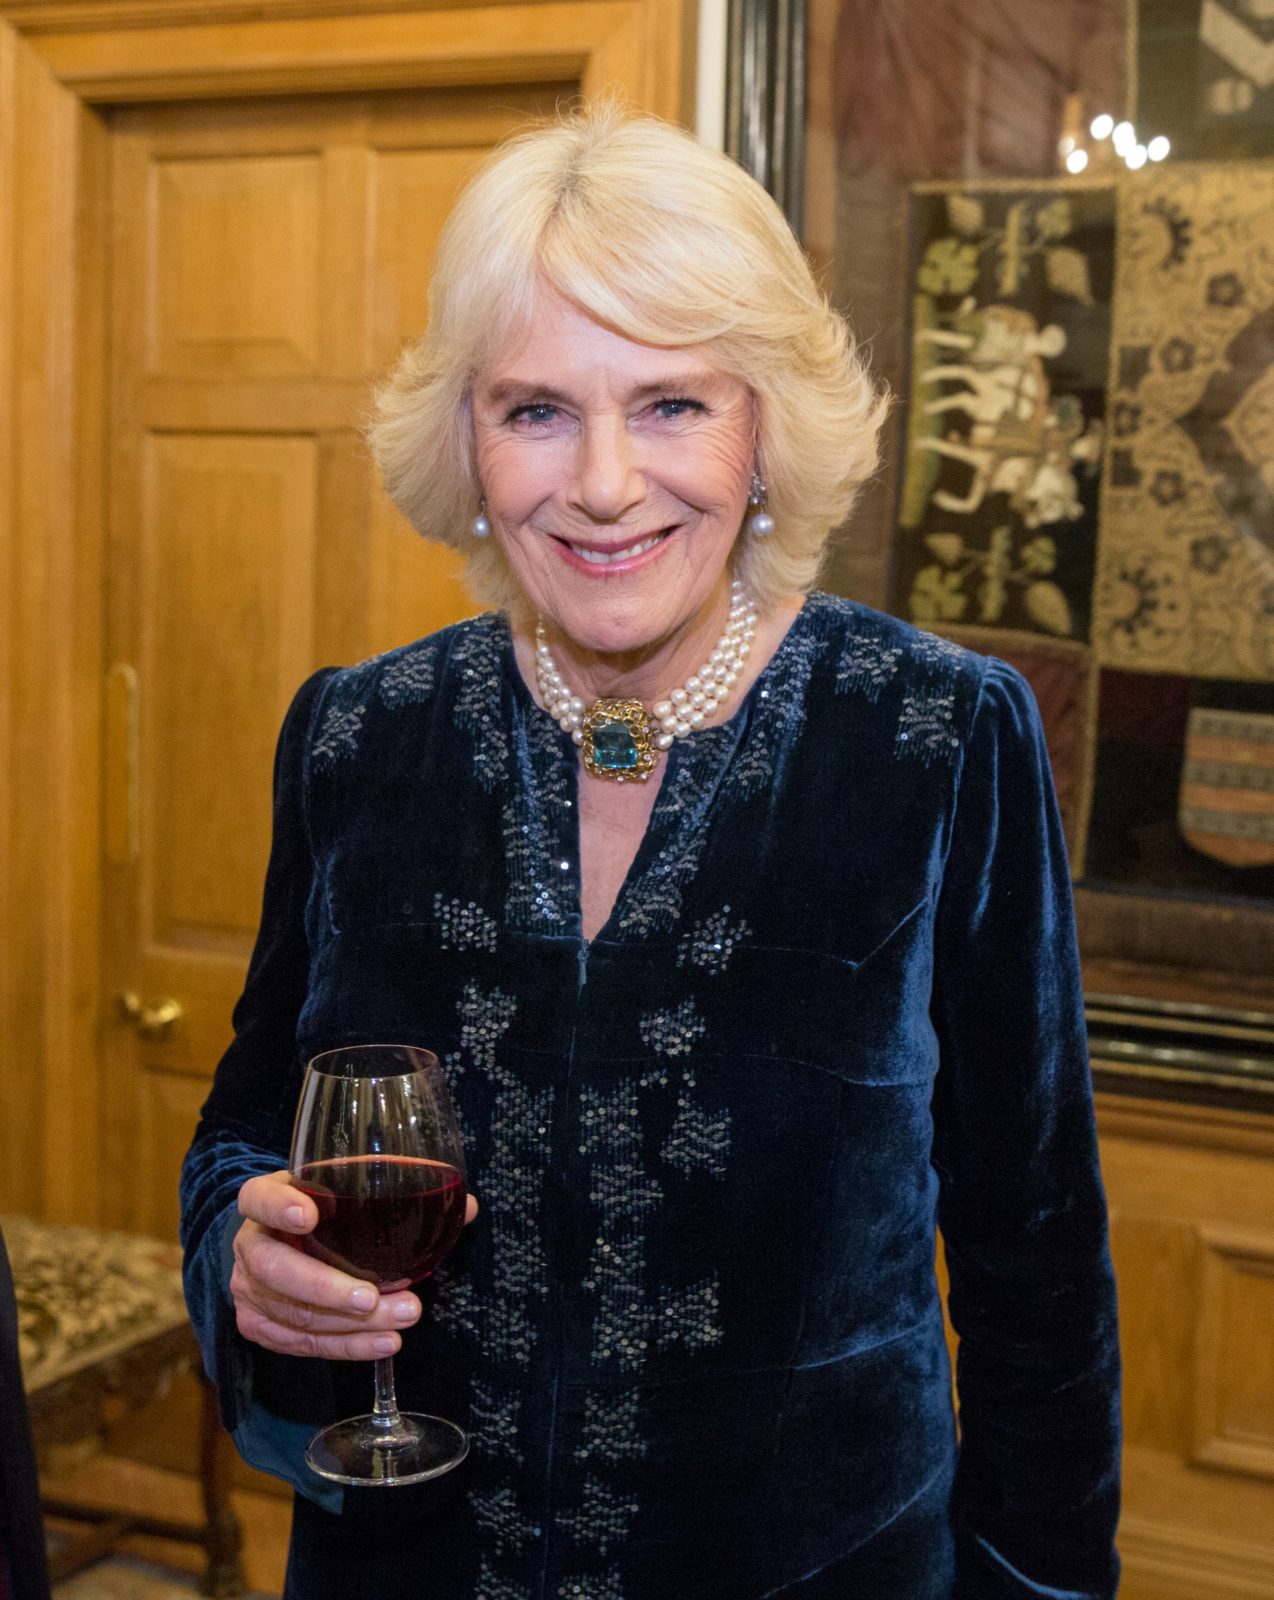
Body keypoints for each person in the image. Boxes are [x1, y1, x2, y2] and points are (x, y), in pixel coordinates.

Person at [180, 105, 1121, 1600]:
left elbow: (1036, 1263)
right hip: (408, 1566)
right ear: (466, 440)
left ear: (765, 430)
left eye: (673, 403)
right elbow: (247, 1126)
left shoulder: (938, 738)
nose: (604, 482)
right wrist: (251, 1266)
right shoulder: (361, 735)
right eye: (537, 409)